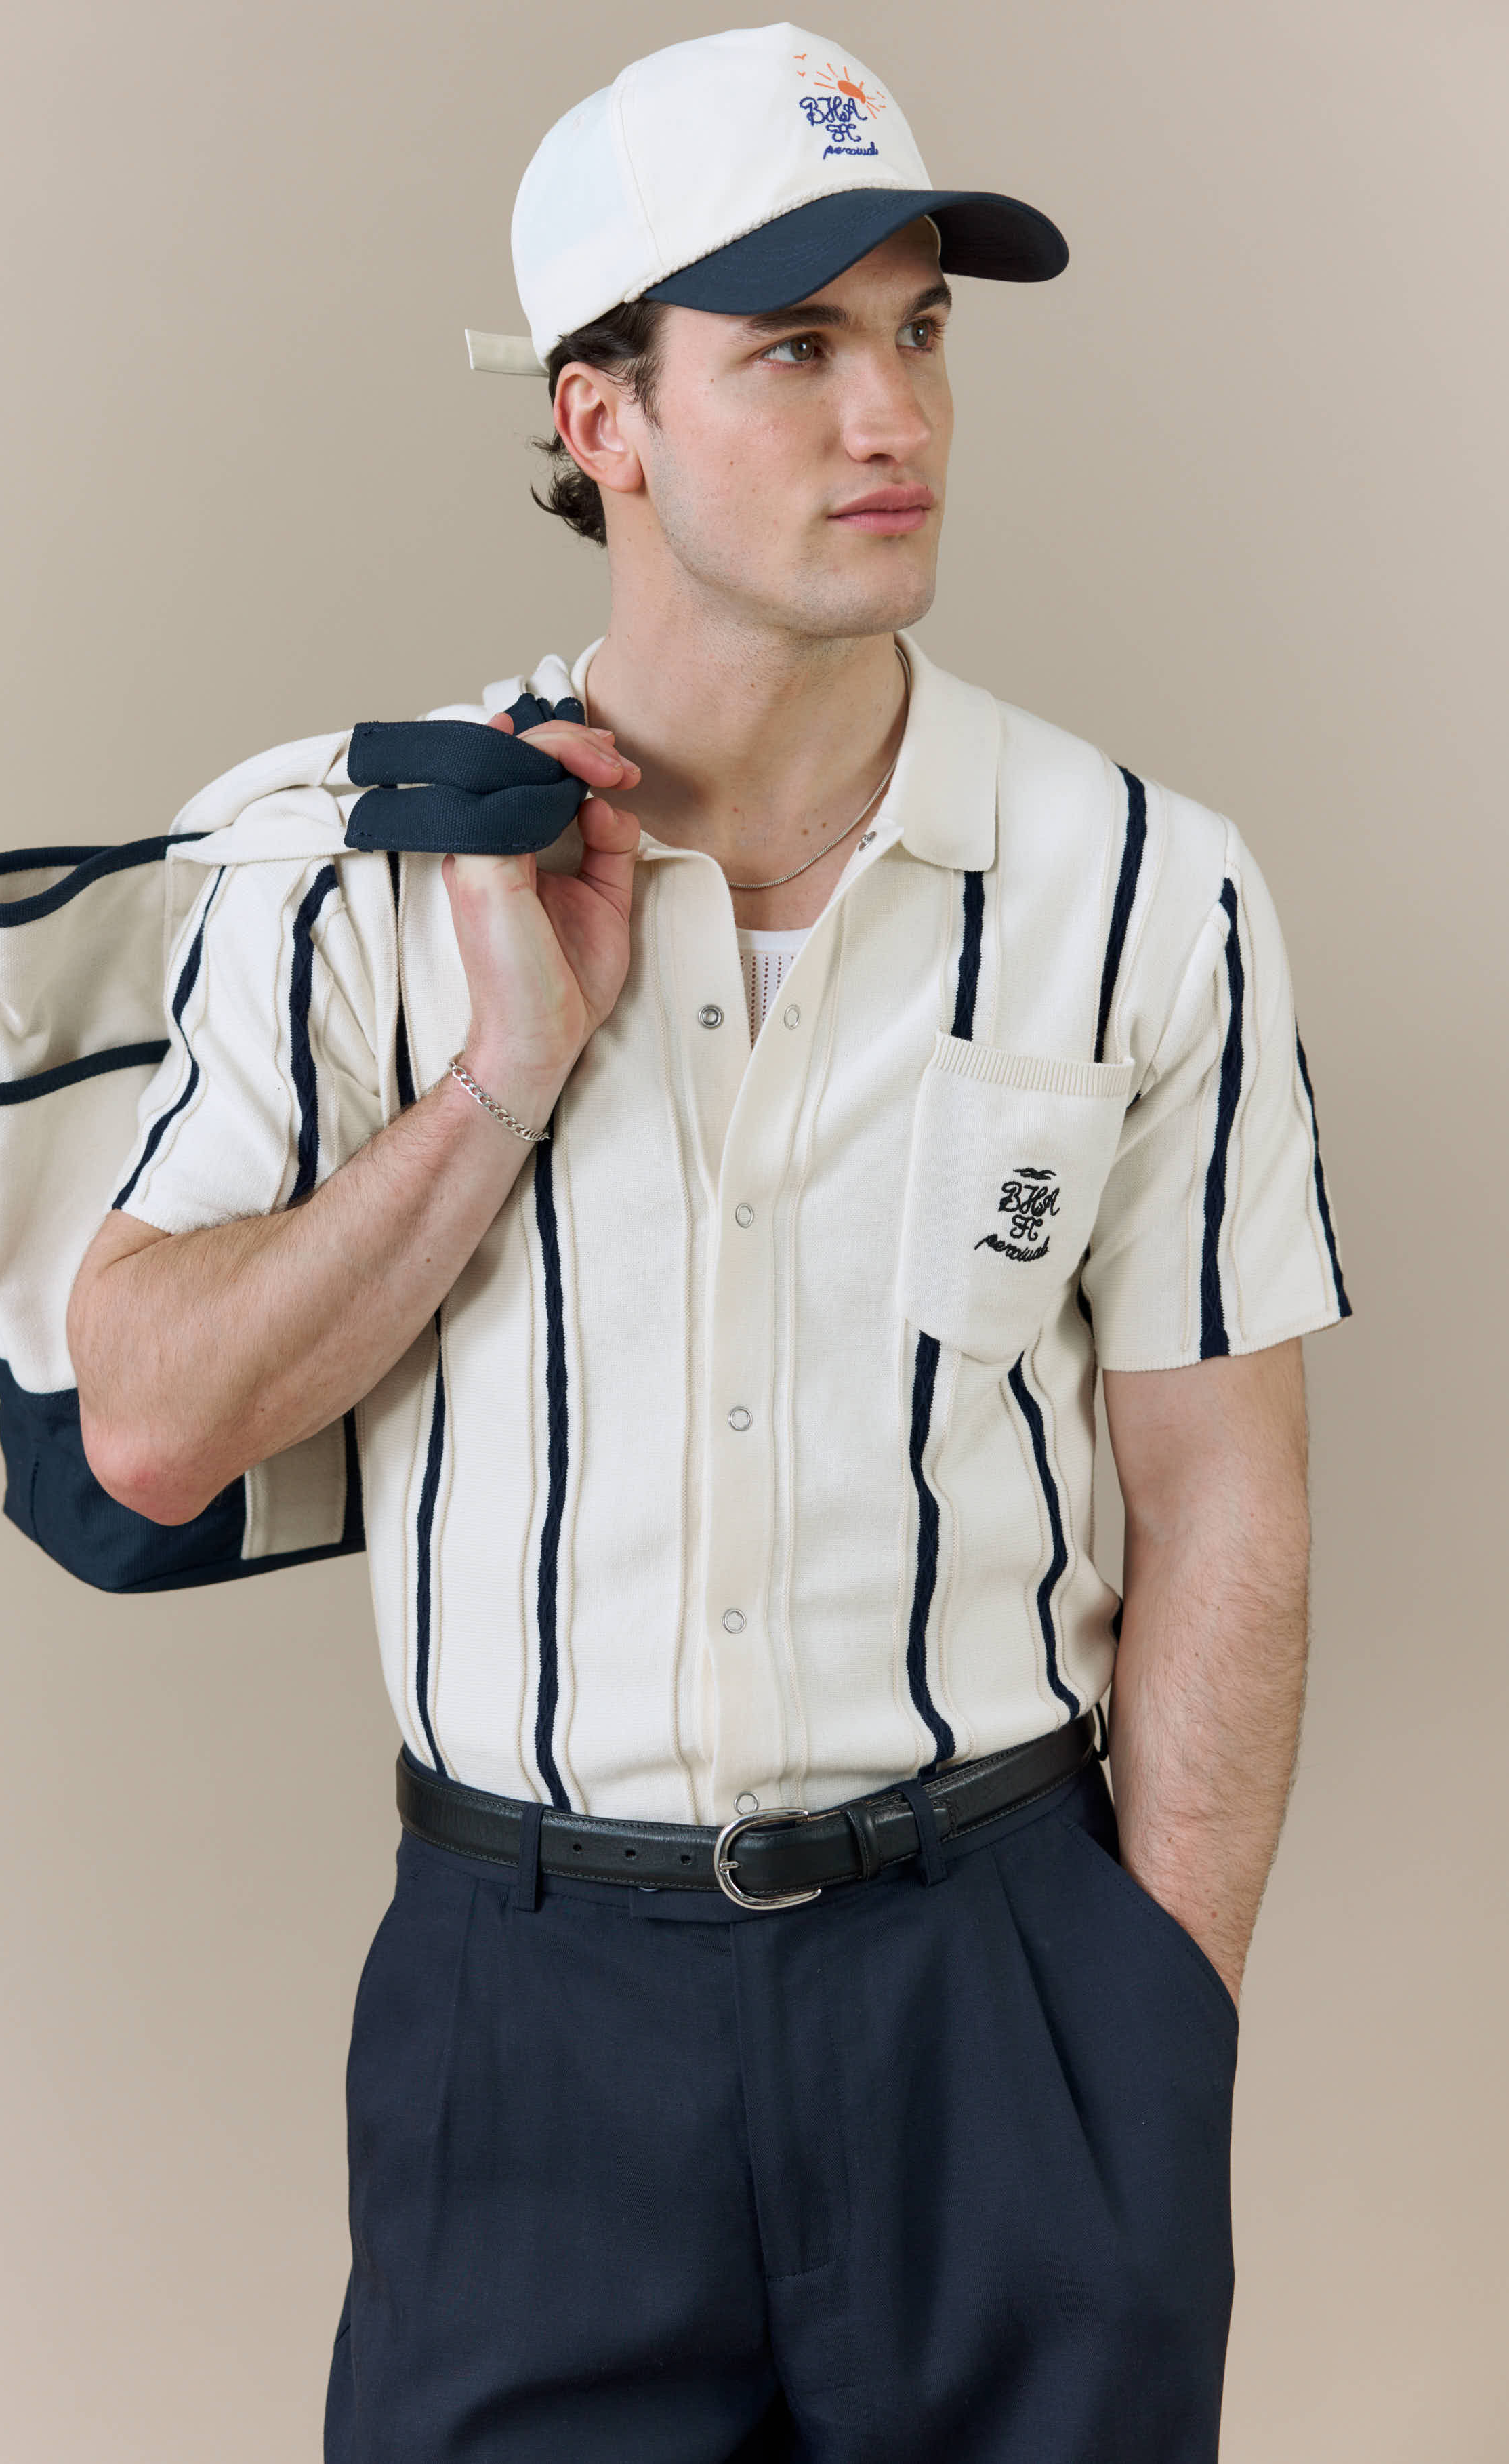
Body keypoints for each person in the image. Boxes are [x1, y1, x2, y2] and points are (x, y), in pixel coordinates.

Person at [66, 24, 1352, 2460]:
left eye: (921, 330)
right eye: (794, 347)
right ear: (604, 418)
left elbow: (1227, 1501)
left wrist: (1152, 2030)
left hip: (1003, 1993)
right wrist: (495, 1081)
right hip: (530, 2011)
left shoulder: (1146, 892)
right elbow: (142, 1423)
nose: (895, 415)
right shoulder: (358, 874)